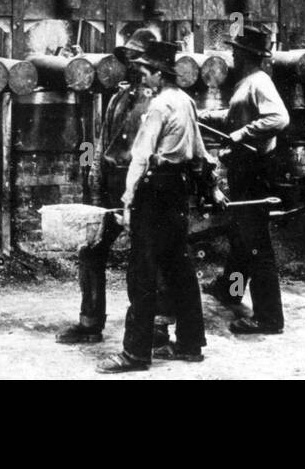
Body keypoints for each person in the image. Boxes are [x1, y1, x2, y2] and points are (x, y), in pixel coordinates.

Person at [98, 40, 221, 373]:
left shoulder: (158, 106)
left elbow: (139, 158)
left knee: (142, 272)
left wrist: (127, 202)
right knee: (180, 267)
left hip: (154, 193)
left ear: (158, 74)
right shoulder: (186, 101)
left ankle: (135, 354)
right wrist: (213, 187)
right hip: (178, 192)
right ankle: (190, 344)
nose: (143, 78)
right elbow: (199, 151)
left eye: (145, 72)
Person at [57, 28, 159, 345]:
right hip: (113, 184)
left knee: (148, 258)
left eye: (136, 58)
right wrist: (96, 170)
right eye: (127, 57)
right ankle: (90, 323)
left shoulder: (159, 102)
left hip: (142, 186)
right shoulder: (118, 95)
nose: (130, 64)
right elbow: (102, 140)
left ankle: (156, 327)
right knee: (90, 249)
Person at [203, 26, 289, 335]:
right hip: (245, 168)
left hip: (255, 170)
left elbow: (279, 118)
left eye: (237, 50)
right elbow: (237, 115)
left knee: (256, 243)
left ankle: (269, 318)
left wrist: (241, 134)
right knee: (242, 234)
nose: (233, 54)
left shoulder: (260, 81)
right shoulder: (249, 83)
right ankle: (230, 289)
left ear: (247, 55)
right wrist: (206, 116)